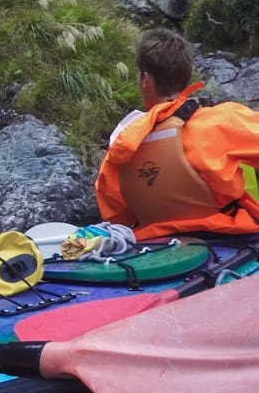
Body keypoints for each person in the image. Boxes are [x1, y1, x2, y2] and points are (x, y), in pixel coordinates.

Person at [95, 27, 259, 240]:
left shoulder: (121, 143)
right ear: (186, 76)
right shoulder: (222, 120)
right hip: (230, 237)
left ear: (146, 80)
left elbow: (117, 217)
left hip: (155, 248)